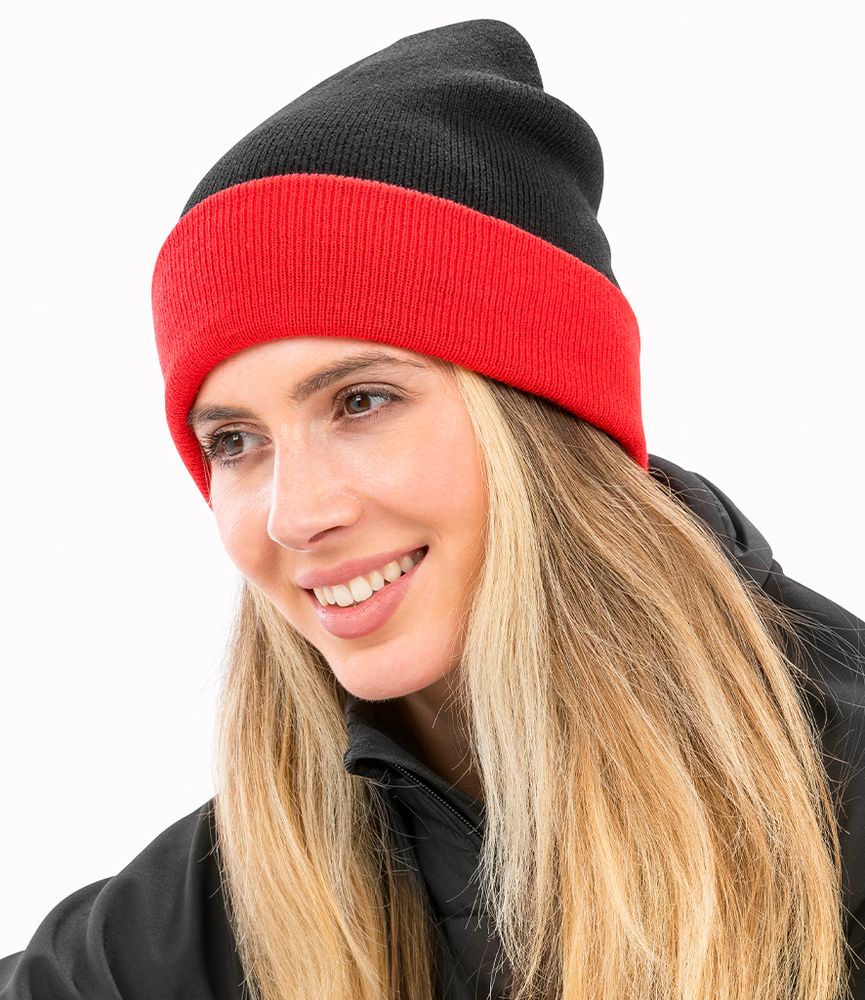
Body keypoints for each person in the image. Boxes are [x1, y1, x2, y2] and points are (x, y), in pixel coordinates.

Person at [2, 18, 863, 1000]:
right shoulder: (249, 879)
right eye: (234, 441)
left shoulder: (838, 791)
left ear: (542, 420)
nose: (294, 515)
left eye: (361, 401)